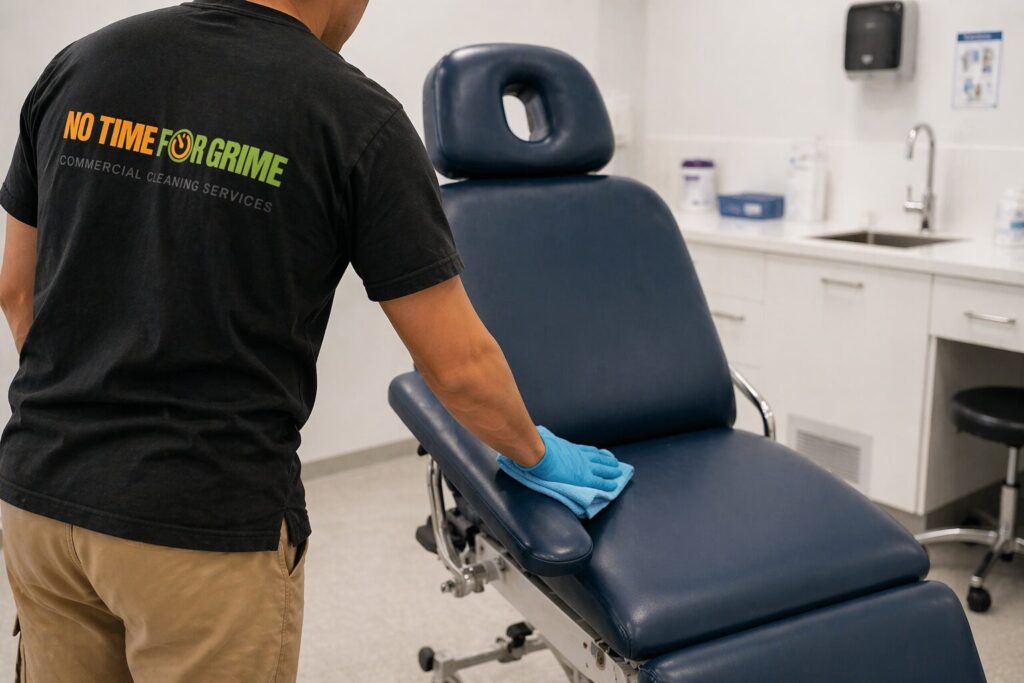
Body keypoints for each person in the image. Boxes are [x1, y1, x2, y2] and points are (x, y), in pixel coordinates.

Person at [0, 1, 624, 680]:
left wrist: (74, 413)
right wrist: (535, 454)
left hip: (38, 496)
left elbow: (14, 286)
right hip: (203, 521)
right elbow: (458, 366)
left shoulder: (80, 66)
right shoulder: (354, 114)